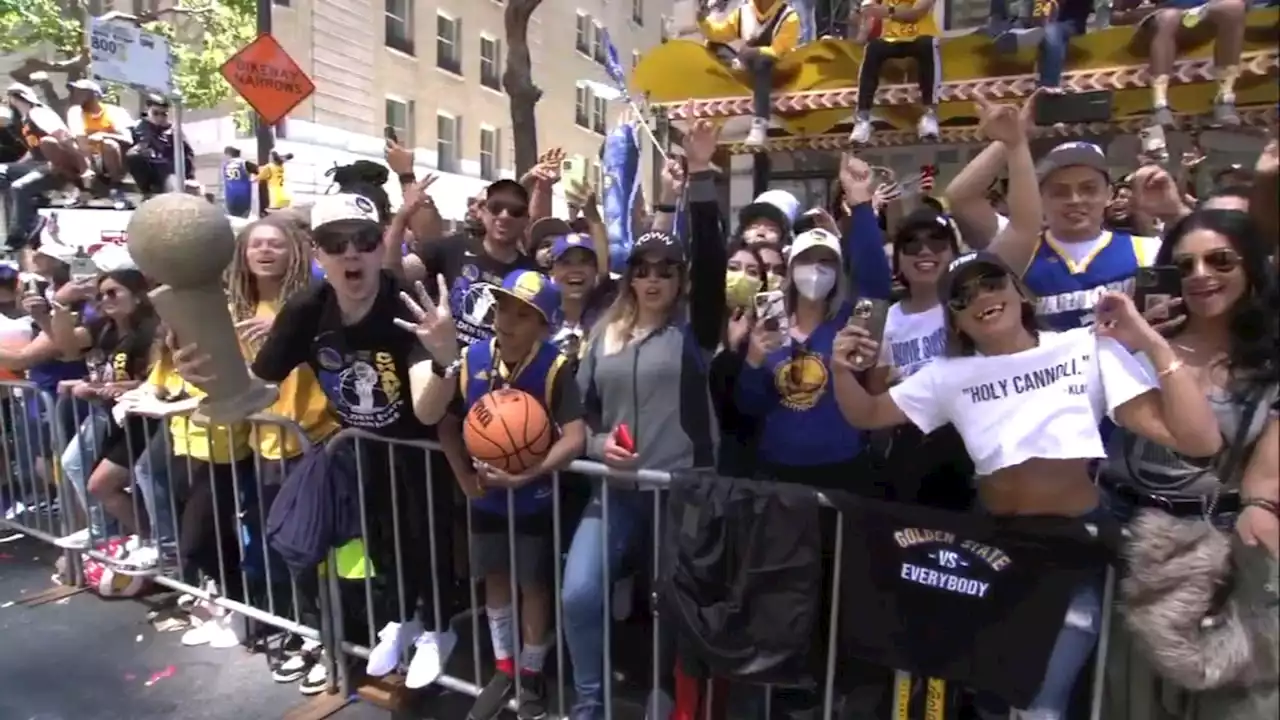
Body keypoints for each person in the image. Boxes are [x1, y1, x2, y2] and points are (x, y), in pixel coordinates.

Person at [830, 249, 1223, 719]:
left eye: (991, 282)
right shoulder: (947, 375)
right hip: (993, 547)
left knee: (1042, 704)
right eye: (963, 295)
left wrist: (1152, 344)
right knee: (993, 694)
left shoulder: (1085, 348)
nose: (981, 297)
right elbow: (867, 413)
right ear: (955, 320)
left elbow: (1198, 440)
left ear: (1018, 290)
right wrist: (839, 369)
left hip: (1070, 549)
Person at [174, 193, 457, 690]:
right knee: (381, 542)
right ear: (318, 252)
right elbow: (257, 387)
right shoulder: (308, 307)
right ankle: (402, 620)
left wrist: (442, 359)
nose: (352, 253)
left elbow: (427, 410)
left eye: (365, 241)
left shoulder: (402, 301)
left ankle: (438, 629)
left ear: (379, 247)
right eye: (336, 242)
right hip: (360, 445)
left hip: (421, 447)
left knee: (425, 538)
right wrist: (206, 375)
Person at [562, 119, 728, 719]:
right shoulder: (604, 329)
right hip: (616, 492)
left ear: (680, 280)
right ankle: (588, 705)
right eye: (643, 269)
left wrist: (703, 175)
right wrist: (601, 443)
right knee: (580, 591)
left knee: (673, 606)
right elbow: (578, 411)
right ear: (630, 277)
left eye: (666, 270)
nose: (653, 278)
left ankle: (671, 697)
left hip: (680, 493)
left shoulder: (696, 331)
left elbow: (711, 256)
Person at [1098, 210, 1278, 717]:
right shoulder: (1132, 348)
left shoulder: (1271, 358)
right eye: (1186, 264)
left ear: (1252, 269)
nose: (1201, 274)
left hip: (1227, 559)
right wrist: (1138, 345)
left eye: (1220, 260)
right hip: (1132, 554)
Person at [404, 269, 587, 719]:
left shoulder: (557, 366)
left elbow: (577, 435)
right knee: (496, 581)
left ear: (543, 325)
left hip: (534, 498)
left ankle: (530, 673)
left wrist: (532, 472)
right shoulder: (469, 359)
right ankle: (502, 668)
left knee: (534, 585)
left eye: (523, 314)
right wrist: (462, 475)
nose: (508, 319)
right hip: (484, 496)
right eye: (504, 307)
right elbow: (446, 422)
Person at [944, 99, 1161, 331]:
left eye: (1088, 189)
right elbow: (960, 198)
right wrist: (1014, 137)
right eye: (1060, 192)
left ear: (1109, 194)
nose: (1075, 200)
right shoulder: (1020, 249)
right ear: (1040, 198)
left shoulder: (1148, 251)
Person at [50, 269, 159, 550]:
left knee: (111, 482)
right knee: (76, 465)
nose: (106, 299)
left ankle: (155, 544)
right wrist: (60, 309)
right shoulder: (102, 327)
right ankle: (115, 533)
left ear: (137, 295)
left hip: (144, 418)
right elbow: (67, 348)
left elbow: (156, 379)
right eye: (101, 295)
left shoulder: (151, 329)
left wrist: (99, 389)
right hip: (110, 415)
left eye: (113, 292)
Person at [695, 0, 802, 147]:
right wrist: (702, 20)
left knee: (763, 62)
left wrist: (753, 53)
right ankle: (736, 67)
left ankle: (760, 122)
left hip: (776, 71)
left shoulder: (789, 16)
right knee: (713, 45)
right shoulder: (744, 12)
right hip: (748, 65)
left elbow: (779, 51)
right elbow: (718, 34)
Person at [848, 0, 942, 144]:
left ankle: (930, 115)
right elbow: (859, 16)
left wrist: (887, 11)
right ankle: (862, 119)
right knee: (872, 48)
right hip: (890, 39)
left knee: (928, 45)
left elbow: (917, 13)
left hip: (920, 37)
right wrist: (860, 13)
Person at [1, 83, 77, 250]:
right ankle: (30, 210)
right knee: (3, 174)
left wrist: (77, 167)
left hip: (53, 166)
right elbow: (32, 150)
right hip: (37, 165)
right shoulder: (24, 120)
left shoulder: (39, 113)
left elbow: (62, 136)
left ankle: (19, 235)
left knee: (18, 187)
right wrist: (16, 165)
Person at [64, 79, 133, 207]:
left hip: (116, 159)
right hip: (92, 158)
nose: (76, 96)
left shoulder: (114, 112)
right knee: (68, 144)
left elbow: (129, 140)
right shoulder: (75, 113)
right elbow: (80, 141)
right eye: (74, 92)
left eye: (81, 92)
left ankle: (116, 187)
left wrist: (103, 135)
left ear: (94, 95)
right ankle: (82, 188)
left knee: (109, 144)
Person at [127, 94, 194, 196]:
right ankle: (146, 192)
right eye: (156, 113)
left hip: (168, 171)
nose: (160, 117)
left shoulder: (174, 131)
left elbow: (188, 155)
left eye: (164, 114)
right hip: (149, 170)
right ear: (147, 110)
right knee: (133, 156)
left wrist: (190, 177)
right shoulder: (137, 129)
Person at [222, 147, 258, 219]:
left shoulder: (225, 165)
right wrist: (255, 179)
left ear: (228, 154)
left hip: (230, 197)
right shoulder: (245, 163)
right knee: (244, 219)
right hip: (244, 196)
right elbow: (260, 171)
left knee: (233, 219)